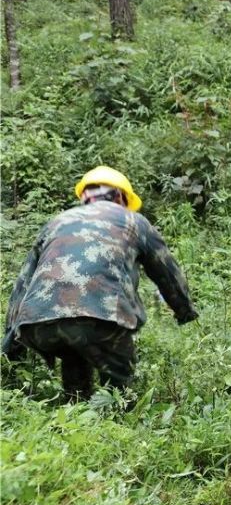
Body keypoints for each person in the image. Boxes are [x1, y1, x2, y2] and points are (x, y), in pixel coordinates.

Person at [2, 166, 198, 401]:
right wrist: (184, 312)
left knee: (74, 351)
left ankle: (75, 407)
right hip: (102, 319)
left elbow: (23, 283)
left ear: (85, 197)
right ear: (122, 197)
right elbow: (167, 273)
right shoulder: (134, 221)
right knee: (117, 383)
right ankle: (116, 416)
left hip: (40, 324)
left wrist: (10, 344)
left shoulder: (57, 222)